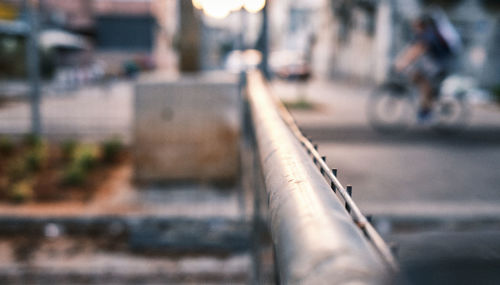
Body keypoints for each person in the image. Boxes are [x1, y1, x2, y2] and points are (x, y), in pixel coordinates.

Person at [394, 14, 456, 122]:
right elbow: (412, 49)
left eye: (415, 25)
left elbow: (418, 50)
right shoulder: (422, 35)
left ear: (421, 25)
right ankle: (427, 101)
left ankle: (427, 111)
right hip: (434, 64)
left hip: (442, 64)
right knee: (417, 76)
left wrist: (403, 63)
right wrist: (402, 60)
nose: (413, 28)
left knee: (423, 81)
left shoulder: (428, 34)